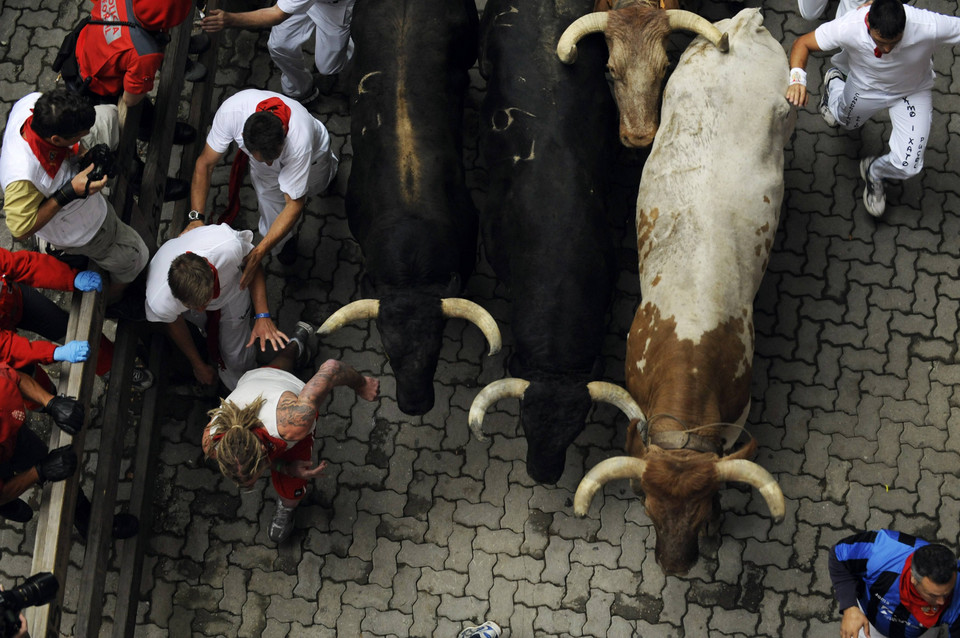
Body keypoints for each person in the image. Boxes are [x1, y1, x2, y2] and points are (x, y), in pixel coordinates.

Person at [201, 324, 379, 542]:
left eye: (250, 480)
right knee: (282, 363)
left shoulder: (293, 424)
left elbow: (331, 369)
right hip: (257, 378)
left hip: (288, 397)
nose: (247, 486)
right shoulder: (211, 444)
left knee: (292, 482)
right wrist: (284, 466)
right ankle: (297, 341)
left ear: (262, 456)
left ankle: (288, 505)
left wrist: (361, 384)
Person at [785, 0, 960, 218]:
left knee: (909, 164)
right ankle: (834, 83)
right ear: (868, 23)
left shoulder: (927, 24)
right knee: (845, 121)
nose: (886, 50)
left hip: (911, 91)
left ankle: (874, 172)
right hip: (866, 88)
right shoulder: (850, 26)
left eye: (894, 43)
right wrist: (797, 80)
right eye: (880, 42)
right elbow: (803, 43)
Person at [0, 89, 149, 303]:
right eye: (80, 135)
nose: (84, 137)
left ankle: (132, 173)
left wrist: (86, 154)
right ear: (56, 138)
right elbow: (19, 228)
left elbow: (78, 142)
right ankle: (113, 301)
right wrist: (67, 193)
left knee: (110, 116)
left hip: (66, 165)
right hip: (77, 223)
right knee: (136, 256)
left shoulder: (37, 104)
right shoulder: (24, 179)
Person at [186, 89, 338, 282]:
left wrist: (259, 251)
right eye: (261, 158)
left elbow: (294, 204)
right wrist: (196, 217)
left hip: (312, 159)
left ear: (283, 134)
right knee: (269, 206)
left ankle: (332, 171)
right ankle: (283, 245)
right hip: (268, 165)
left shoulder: (300, 140)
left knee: (320, 184)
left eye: (270, 158)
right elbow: (205, 164)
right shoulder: (231, 113)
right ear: (243, 134)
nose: (268, 164)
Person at [144, 223, 287, 391]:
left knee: (236, 356)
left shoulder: (228, 248)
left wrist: (263, 315)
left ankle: (243, 384)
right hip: (183, 305)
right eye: (195, 306)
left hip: (234, 292)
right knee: (202, 328)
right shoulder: (160, 301)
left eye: (206, 300)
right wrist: (198, 365)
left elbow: (254, 264)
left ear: (210, 268)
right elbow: (174, 323)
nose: (202, 309)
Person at [0, 365, 138, 539]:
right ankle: (6, 504)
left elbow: (15, 378)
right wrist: (39, 471)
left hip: (10, 437)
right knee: (10, 489)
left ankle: (86, 521)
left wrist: (50, 402)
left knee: (53, 465)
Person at [71, 0, 201, 144]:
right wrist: (142, 78)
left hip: (84, 46)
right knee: (142, 112)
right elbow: (130, 99)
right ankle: (153, 132)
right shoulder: (144, 53)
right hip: (97, 84)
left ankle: (187, 49)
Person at [200, 0, 355, 102]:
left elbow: (277, 14)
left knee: (328, 67)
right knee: (279, 45)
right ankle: (300, 89)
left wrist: (230, 19)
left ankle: (356, 36)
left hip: (335, 8)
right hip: (302, 3)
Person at [830, 529, 960, 637]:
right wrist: (849, 607)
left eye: (947, 593)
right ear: (913, 579)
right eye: (933, 595)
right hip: (867, 623)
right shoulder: (880, 551)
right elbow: (838, 555)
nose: (942, 602)